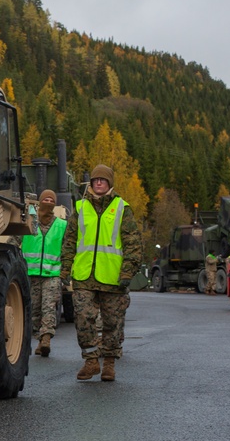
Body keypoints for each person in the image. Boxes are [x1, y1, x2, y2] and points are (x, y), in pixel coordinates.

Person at [59, 164, 142, 382]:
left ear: (110, 183)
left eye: (103, 180)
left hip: (113, 278)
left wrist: (127, 273)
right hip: (84, 276)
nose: (98, 183)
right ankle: (91, 361)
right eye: (95, 180)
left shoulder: (123, 208)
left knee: (113, 323)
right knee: (83, 319)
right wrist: (65, 269)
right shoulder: (80, 208)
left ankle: (110, 364)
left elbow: (133, 244)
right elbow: (69, 241)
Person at [21, 189, 66, 357]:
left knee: (49, 306)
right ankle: (39, 339)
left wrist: (66, 271)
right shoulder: (29, 222)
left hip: (53, 274)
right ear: (40, 202)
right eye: (45, 199)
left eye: (51, 200)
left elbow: (68, 249)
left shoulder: (62, 225)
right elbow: (15, 242)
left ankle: (46, 338)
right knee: (34, 310)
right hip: (29, 274)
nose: (48, 202)